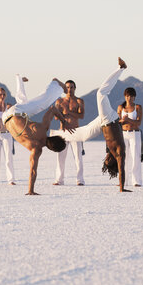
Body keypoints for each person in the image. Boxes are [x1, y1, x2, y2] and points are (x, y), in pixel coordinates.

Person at [50, 57, 132, 192]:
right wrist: (122, 188)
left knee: (84, 135)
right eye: (106, 161)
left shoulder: (111, 150)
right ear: (111, 160)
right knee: (101, 93)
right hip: (108, 119)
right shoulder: (119, 152)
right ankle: (121, 68)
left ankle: (53, 135)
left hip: (101, 124)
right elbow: (121, 169)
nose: (105, 159)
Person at [2, 75, 75, 195]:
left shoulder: (43, 129)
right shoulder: (36, 149)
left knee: (43, 102)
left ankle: (54, 84)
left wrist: (64, 122)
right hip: (5, 119)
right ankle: (22, 81)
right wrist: (30, 190)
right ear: (52, 149)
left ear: (54, 137)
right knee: (25, 102)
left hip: (16, 112)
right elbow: (33, 170)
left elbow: (52, 109)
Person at [53, 80, 85, 186]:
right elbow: (56, 117)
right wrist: (61, 114)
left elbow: (81, 116)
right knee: (60, 157)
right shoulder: (59, 101)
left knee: (78, 157)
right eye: (67, 87)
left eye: (71, 87)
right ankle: (59, 180)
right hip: (63, 131)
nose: (69, 89)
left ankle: (80, 180)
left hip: (75, 131)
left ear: (75, 88)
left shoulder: (79, 101)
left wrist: (69, 112)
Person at [117, 87, 143, 187]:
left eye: (131, 96)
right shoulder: (120, 107)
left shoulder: (138, 107)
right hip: (123, 133)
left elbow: (139, 123)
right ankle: (123, 181)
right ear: (125, 96)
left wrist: (128, 120)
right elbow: (117, 121)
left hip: (134, 133)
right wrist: (123, 121)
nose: (129, 98)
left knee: (136, 156)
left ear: (134, 97)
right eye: (128, 96)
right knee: (123, 157)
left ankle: (136, 181)